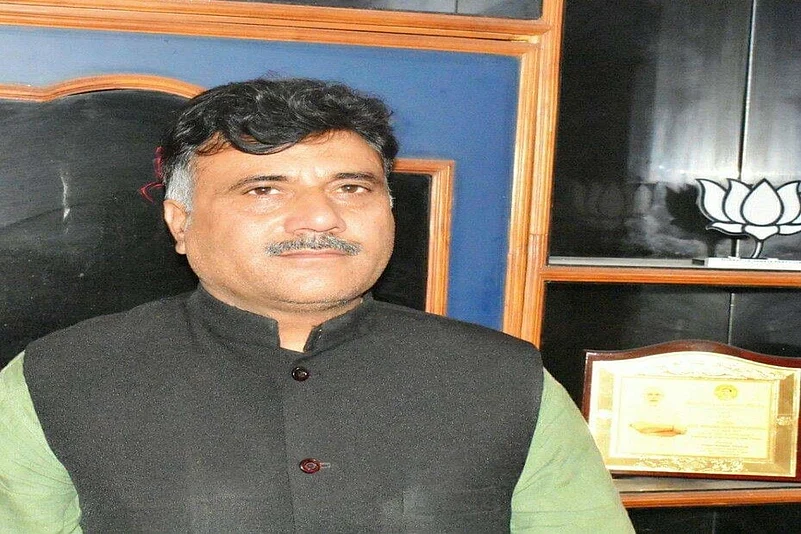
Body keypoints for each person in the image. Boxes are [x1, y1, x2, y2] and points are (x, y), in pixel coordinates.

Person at [0, 77, 633, 532]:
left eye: (352, 187)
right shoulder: (58, 379)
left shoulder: (506, 381)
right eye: (264, 189)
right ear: (181, 222)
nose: (320, 217)